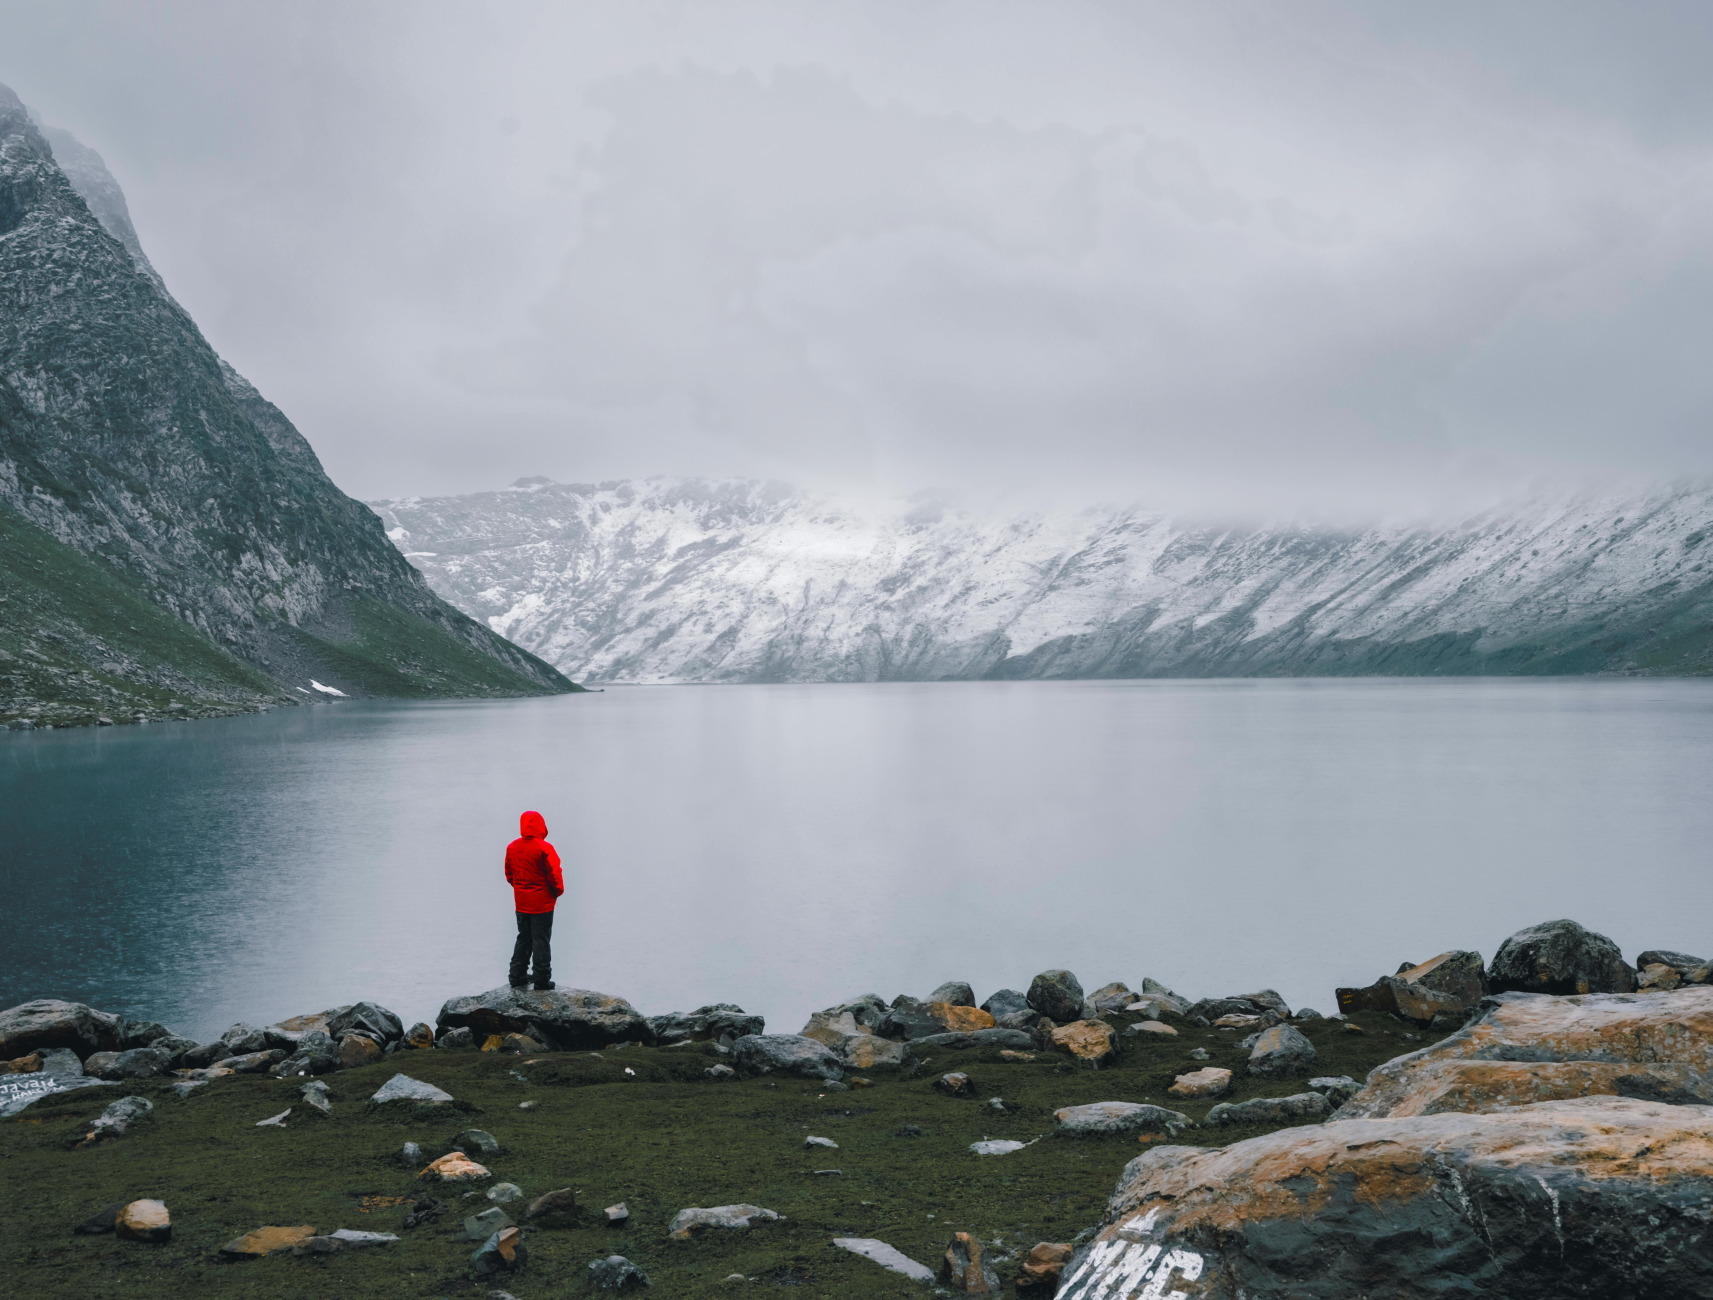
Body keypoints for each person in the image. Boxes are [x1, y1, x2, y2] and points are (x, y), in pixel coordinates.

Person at [505, 810, 563, 991]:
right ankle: (542, 979)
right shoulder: (545, 848)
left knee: (523, 937)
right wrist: (556, 893)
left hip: (521, 903)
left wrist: (521, 890)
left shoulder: (512, 847)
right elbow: (555, 876)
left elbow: (509, 874)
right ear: (541, 826)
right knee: (541, 939)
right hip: (542, 903)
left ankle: (517, 976)